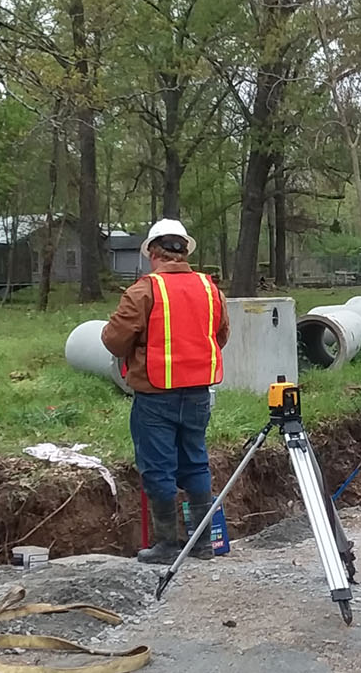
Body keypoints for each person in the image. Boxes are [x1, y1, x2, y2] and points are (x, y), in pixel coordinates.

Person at [100, 219, 229, 564]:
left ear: (153, 253)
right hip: (199, 392)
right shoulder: (209, 288)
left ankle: (168, 545)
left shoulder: (144, 291)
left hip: (156, 394)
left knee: (158, 468)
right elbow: (220, 335)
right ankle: (202, 544)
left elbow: (114, 341)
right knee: (195, 462)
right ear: (184, 251)